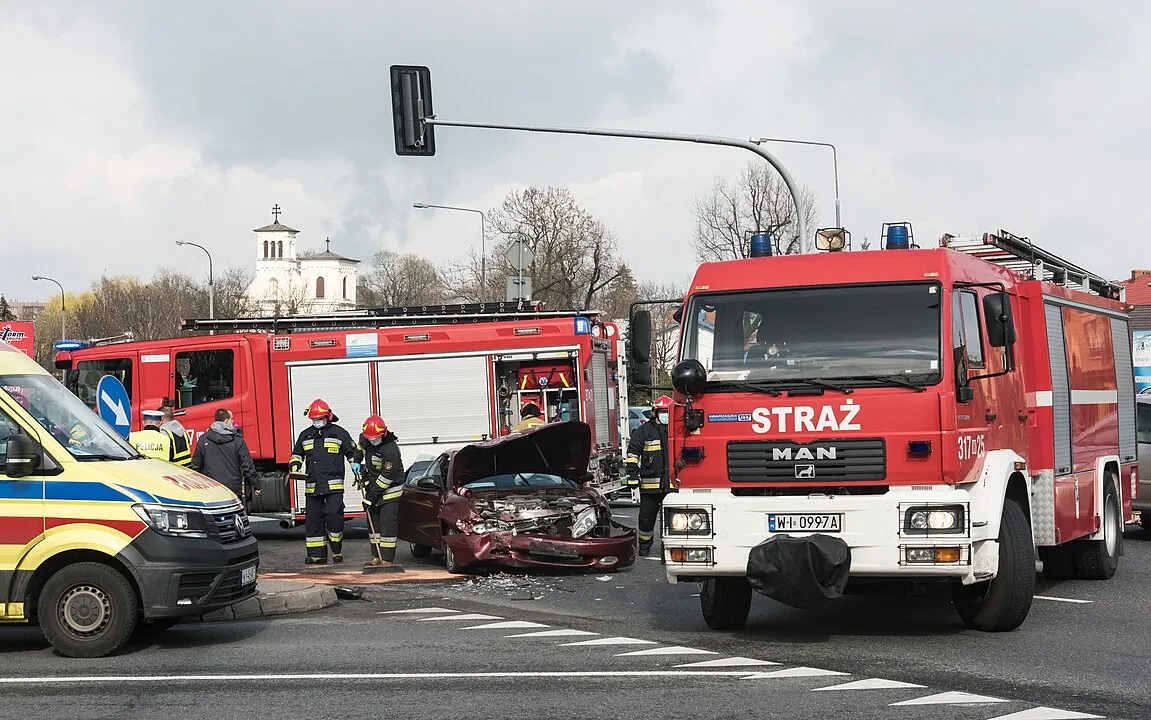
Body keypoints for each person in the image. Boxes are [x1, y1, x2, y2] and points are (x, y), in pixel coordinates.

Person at [289, 398, 357, 564]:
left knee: (334, 515)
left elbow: (352, 453)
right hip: (312, 486)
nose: (316, 422)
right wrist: (295, 466)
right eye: (314, 419)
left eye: (319, 419)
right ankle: (317, 554)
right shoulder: (305, 435)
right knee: (313, 521)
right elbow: (297, 454)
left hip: (333, 486)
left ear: (328, 417)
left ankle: (336, 549)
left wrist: (356, 466)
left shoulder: (339, 433)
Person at [625, 395, 673, 557]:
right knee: (646, 520)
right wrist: (633, 476)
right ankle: (644, 547)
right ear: (655, 412)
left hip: (672, 488)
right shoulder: (644, 431)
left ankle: (668, 548)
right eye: (662, 411)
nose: (665, 414)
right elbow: (632, 454)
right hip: (649, 487)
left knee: (672, 521)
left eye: (668, 411)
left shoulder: (677, 430)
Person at [353, 415, 405, 566]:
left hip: (390, 490)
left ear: (383, 433)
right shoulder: (365, 438)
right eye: (370, 438)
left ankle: (387, 559)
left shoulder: (390, 449)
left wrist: (371, 497)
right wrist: (356, 461)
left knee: (387, 525)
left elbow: (387, 477)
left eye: (376, 438)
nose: (373, 440)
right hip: (374, 488)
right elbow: (359, 448)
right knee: (373, 525)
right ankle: (376, 555)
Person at [190, 408, 260, 503]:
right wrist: (256, 485)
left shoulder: (203, 439)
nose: (233, 421)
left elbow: (196, 466)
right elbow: (247, 465)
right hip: (233, 488)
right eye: (232, 418)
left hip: (212, 488)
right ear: (226, 421)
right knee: (235, 516)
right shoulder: (237, 440)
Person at [157, 399, 192, 467]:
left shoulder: (164, 434)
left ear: (162, 419)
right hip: (186, 469)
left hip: (173, 469)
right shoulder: (183, 431)